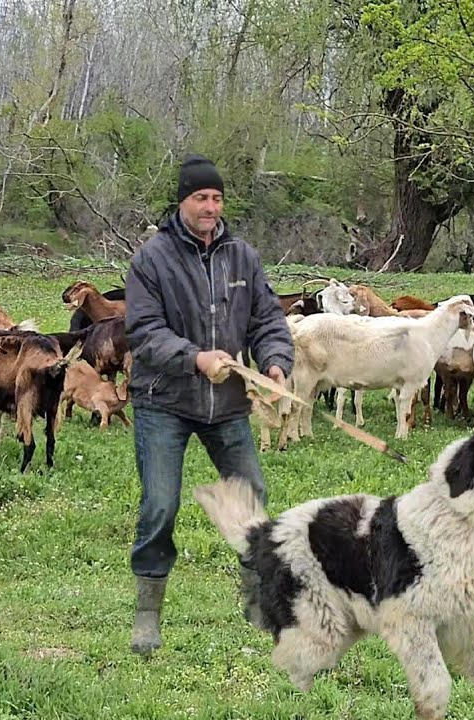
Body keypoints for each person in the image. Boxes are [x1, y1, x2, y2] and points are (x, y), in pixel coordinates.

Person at [124, 154, 294, 655]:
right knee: (160, 504)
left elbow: (267, 319)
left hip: (227, 402)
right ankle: (147, 614)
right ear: (182, 201)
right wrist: (194, 357)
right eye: (201, 197)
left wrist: (275, 362)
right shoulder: (151, 260)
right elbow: (144, 333)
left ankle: (257, 597)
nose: (210, 207)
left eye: (217, 198)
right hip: (164, 401)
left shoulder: (241, 257)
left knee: (252, 497)